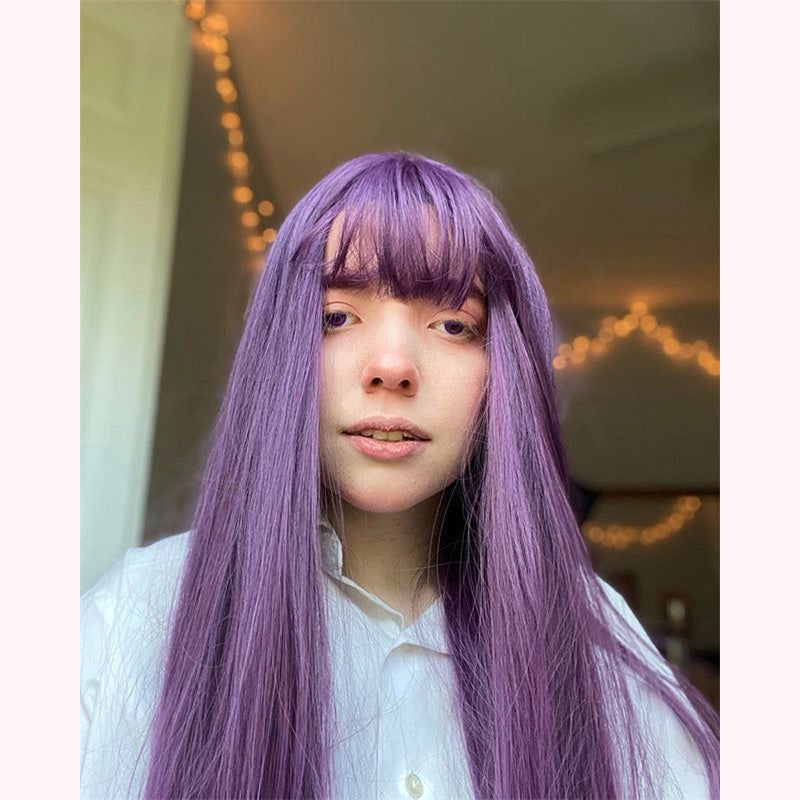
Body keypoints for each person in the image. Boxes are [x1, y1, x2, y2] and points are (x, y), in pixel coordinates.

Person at [80, 152, 720, 799]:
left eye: (453, 324)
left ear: (503, 371)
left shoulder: (593, 634)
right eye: (335, 317)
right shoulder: (137, 617)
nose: (392, 366)